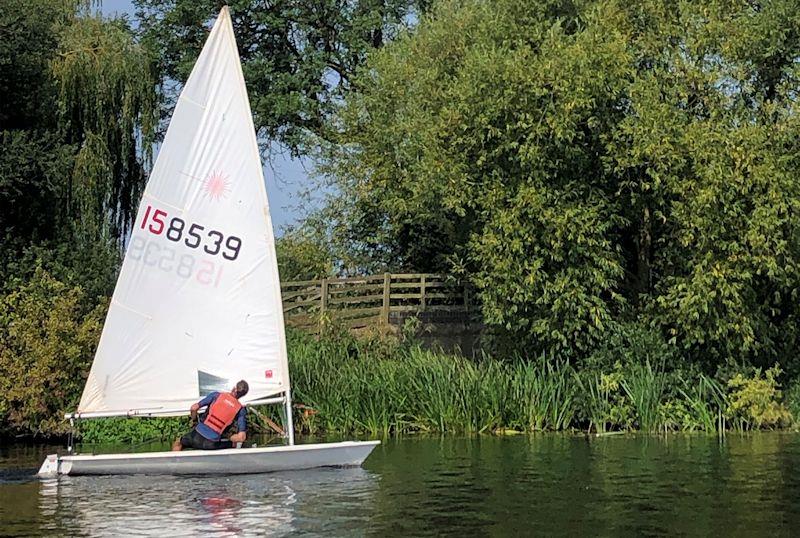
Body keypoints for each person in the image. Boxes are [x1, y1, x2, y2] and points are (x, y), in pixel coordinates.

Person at [172, 380, 249, 451]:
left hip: (196, 436)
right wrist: (228, 437)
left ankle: (174, 463)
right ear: (243, 395)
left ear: (234, 388)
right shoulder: (240, 409)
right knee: (233, 444)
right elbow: (241, 437)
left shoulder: (216, 395)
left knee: (178, 442)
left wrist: (195, 421)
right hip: (211, 443)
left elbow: (194, 408)